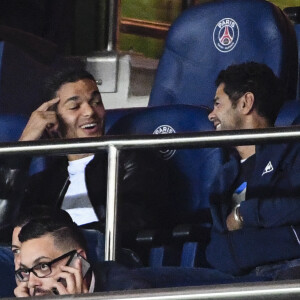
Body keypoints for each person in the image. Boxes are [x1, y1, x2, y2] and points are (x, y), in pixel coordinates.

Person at [0, 68, 169, 251]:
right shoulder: (44, 182)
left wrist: (62, 241)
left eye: (96, 102)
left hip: (101, 257)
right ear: (51, 122)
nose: (90, 111)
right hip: (43, 266)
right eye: (74, 106)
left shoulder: (128, 159)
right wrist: (22, 150)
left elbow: (134, 221)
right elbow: (3, 228)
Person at [206, 61, 300, 279]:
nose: (211, 115)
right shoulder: (224, 176)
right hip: (230, 279)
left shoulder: (292, 147)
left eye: (218, 104)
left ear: (246, 103)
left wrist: (244, 214)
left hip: (286, 271)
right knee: (136, 280)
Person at [14, 216, 151, 297]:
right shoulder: (28, 293)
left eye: (43, 266)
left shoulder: (129, 291)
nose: (31, 283)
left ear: (78, 261)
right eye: (26, 271)